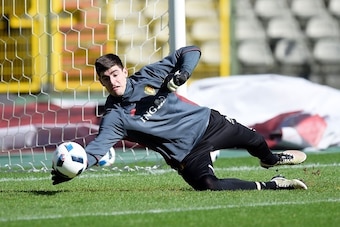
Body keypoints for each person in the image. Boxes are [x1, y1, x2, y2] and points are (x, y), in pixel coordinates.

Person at [52, 46, 308, 190]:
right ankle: (275, 185)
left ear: (125, 71)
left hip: (208, 125)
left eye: (116, 74)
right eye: (106, 78)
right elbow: (96, 150)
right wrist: (77, 167)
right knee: (209, 186)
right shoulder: (114, 117)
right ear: (100, 81)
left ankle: (271, 160)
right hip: (186, 154)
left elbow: (191, 51)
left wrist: (182, 74)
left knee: (255, 141)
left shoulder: (148, 76)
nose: (113, 81)